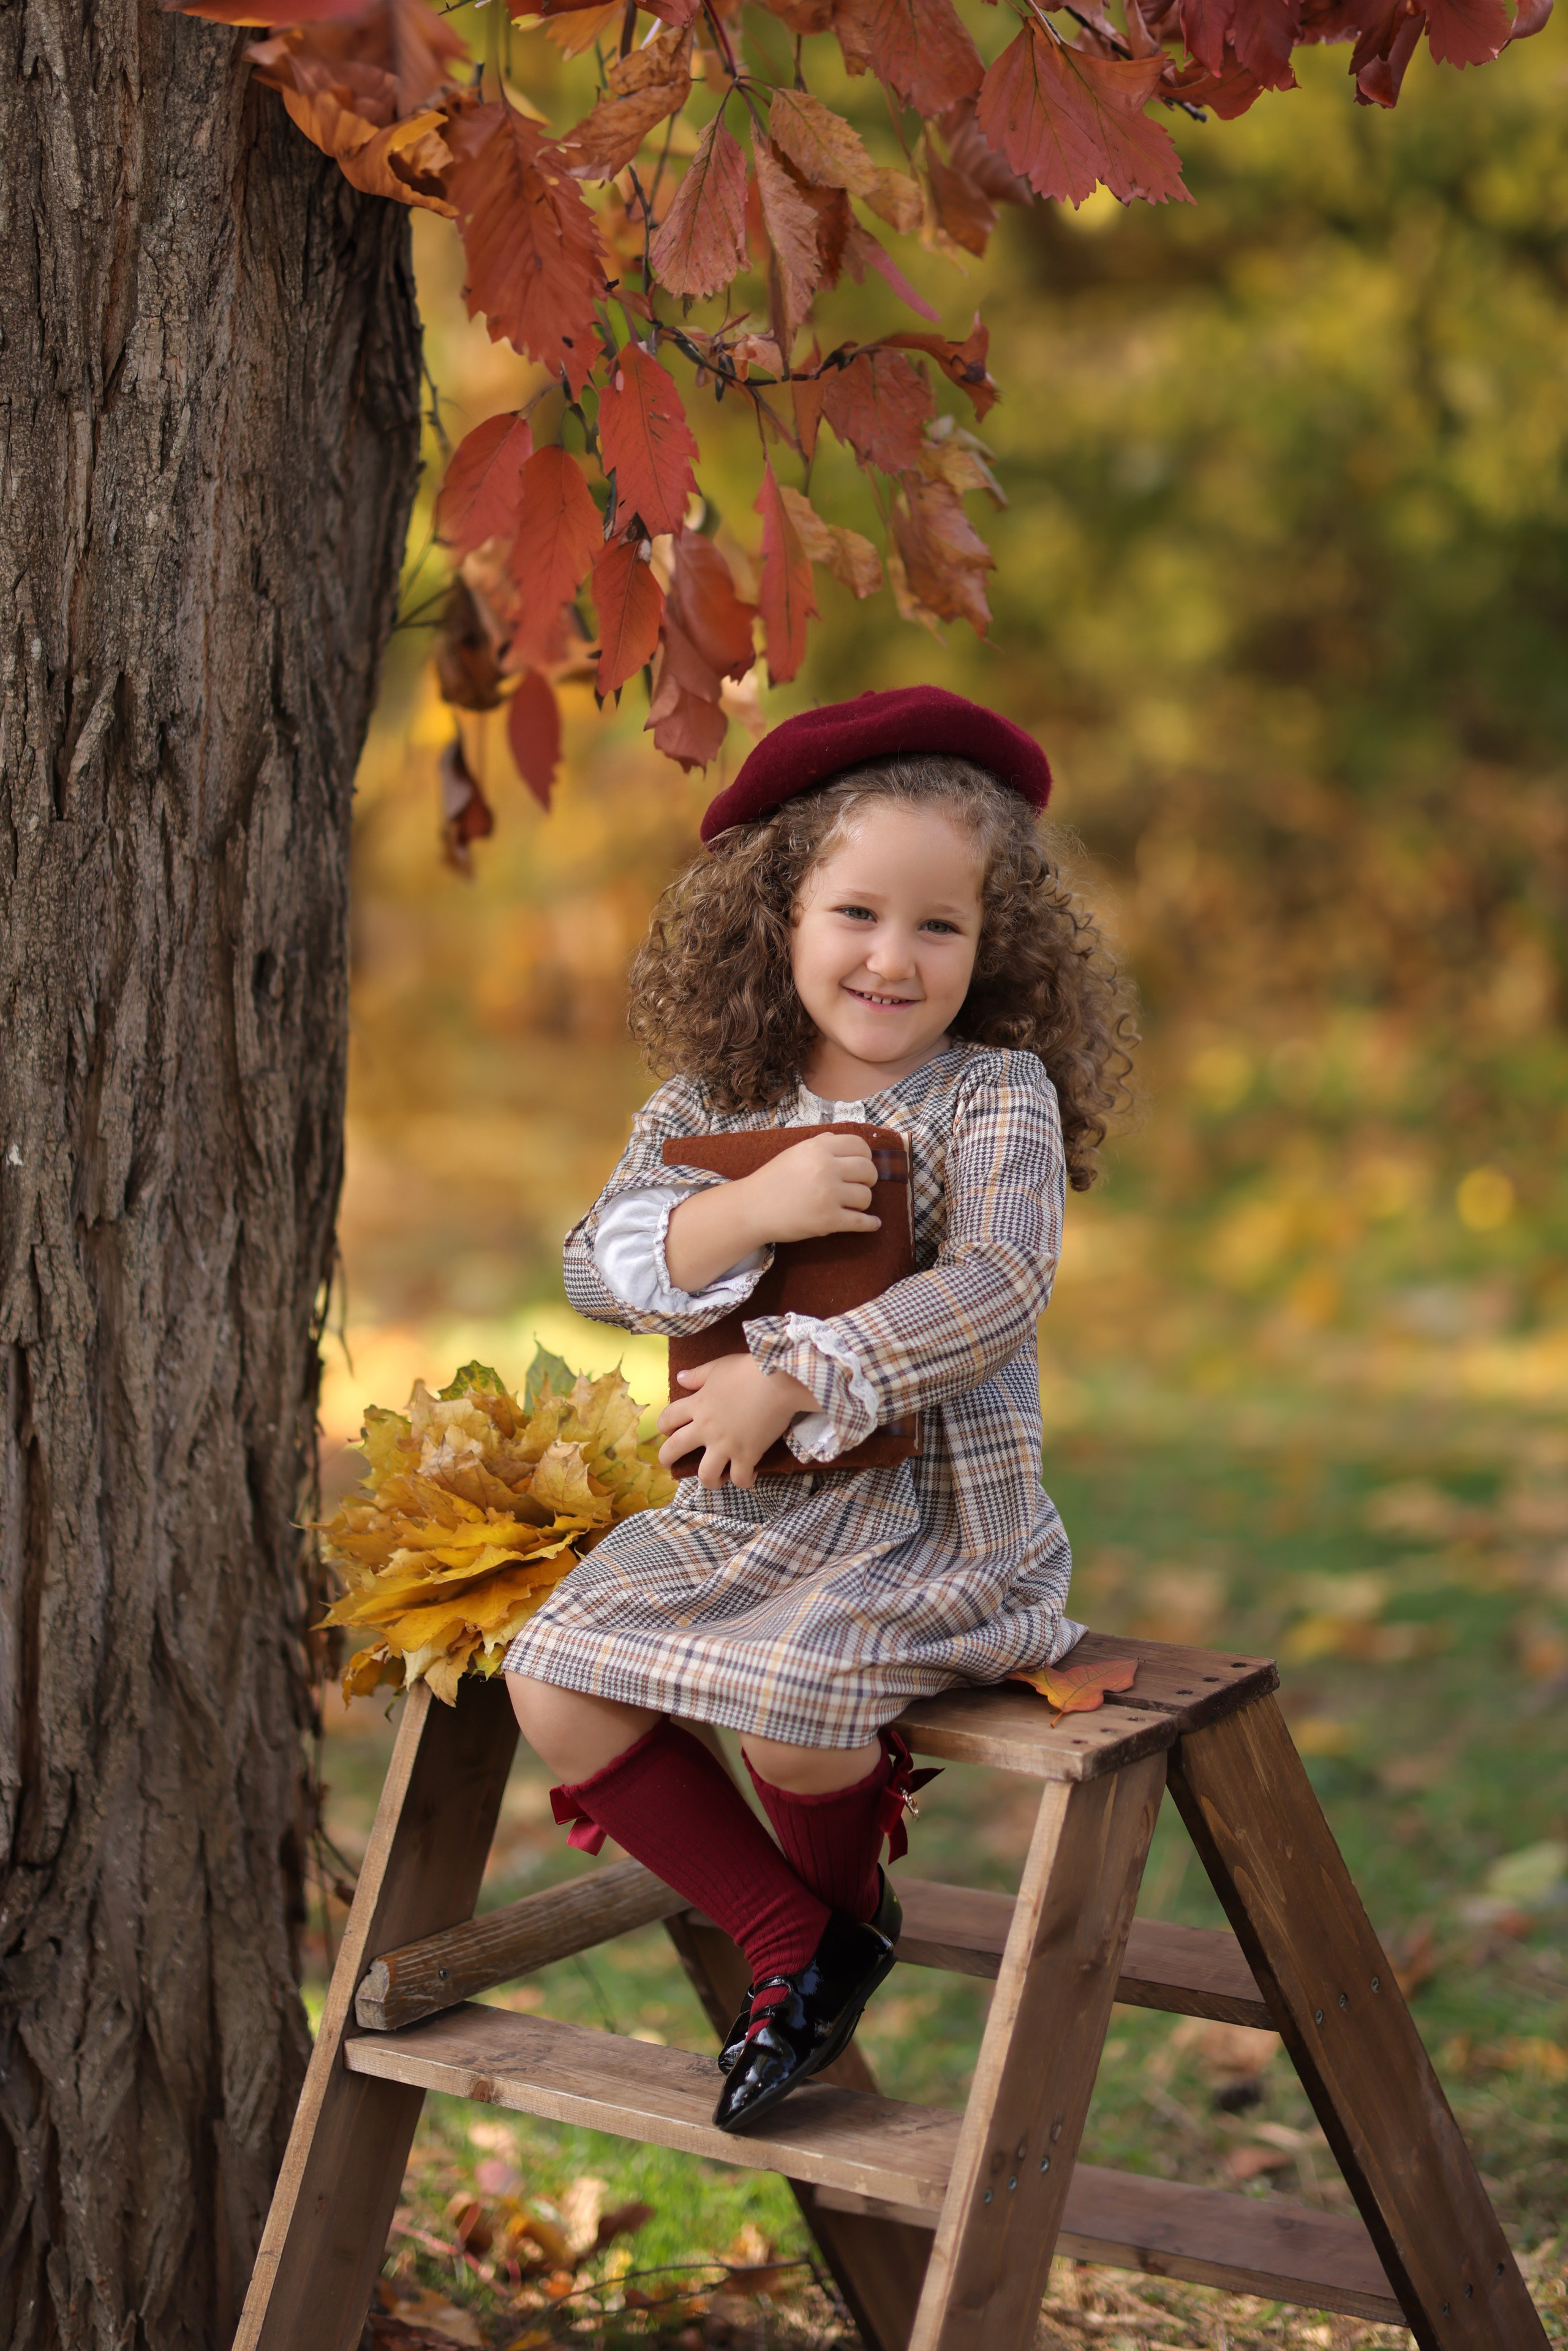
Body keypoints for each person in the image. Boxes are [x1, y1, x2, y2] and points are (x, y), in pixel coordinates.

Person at [503, 685, 1133, 2134]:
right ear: (777, 915)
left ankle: (826, 1938)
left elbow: (995, 1285)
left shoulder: (994, 1095)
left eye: (938, 925)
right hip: (744, 1522)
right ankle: (801, 1942)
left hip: (935, 1535)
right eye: (855, 912)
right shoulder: (704, 1103)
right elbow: (596, 1267)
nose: (890, 957)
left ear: (995, 945)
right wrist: (746, 1205)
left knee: (798, 1702)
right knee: (549, 1665)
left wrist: (800, 1369)